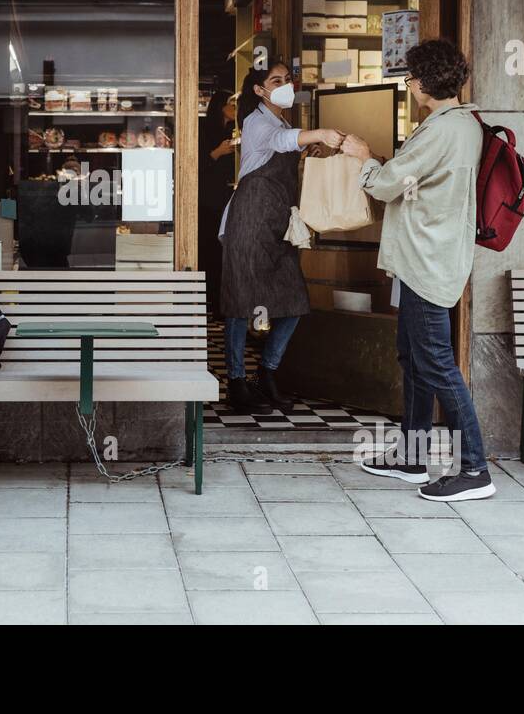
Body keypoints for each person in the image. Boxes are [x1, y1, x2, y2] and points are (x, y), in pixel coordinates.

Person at [342, 39, 496, 502]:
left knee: (437, 363)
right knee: (414, 359)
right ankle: (412, 456)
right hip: (421, 260)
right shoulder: (460, 123)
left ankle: (475, 469)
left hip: (429, 262)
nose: (408, 85)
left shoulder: (443, 130)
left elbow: (390, 183)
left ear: (426, 82)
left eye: (410, 77)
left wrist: (364, 157)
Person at [218, 63, 342, 414]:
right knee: (241, 304)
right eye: (277, 81)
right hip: (247, 222)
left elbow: (287, 146)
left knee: (294, 301)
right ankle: (237, 382)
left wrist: (307, 154)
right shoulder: (257, 122)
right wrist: (317, 134)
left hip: (276, 224)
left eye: (288, 80)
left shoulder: (283, 122)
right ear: (259, 90)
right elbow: (281, 142)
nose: (286, 85)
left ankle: (266, 374)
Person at [198, 81, 237, 305]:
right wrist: (218, 152)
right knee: (209, 249)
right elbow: (196, 165)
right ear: (220, 106)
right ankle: (208, 300)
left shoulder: (234, 130)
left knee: (223, 251)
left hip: (226, 198)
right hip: (206, 200)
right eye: (232, 104)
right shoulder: (204, 130)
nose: (235, 109)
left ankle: (221, 300)